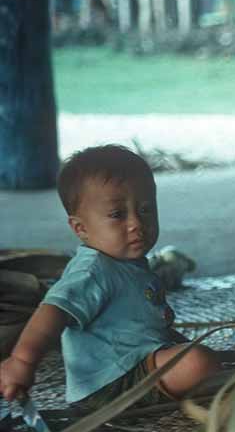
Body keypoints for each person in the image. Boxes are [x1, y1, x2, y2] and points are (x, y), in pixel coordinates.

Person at [0, 145, 220, 414]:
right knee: (197, 362)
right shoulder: (91, 271)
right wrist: (22, 361)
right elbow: (52, 312)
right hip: (110, 385)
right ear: (81, 228)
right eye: (118, 215)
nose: (136, 223)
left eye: (146, 209)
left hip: (138, 363)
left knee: (199, 356)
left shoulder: (130, 264)